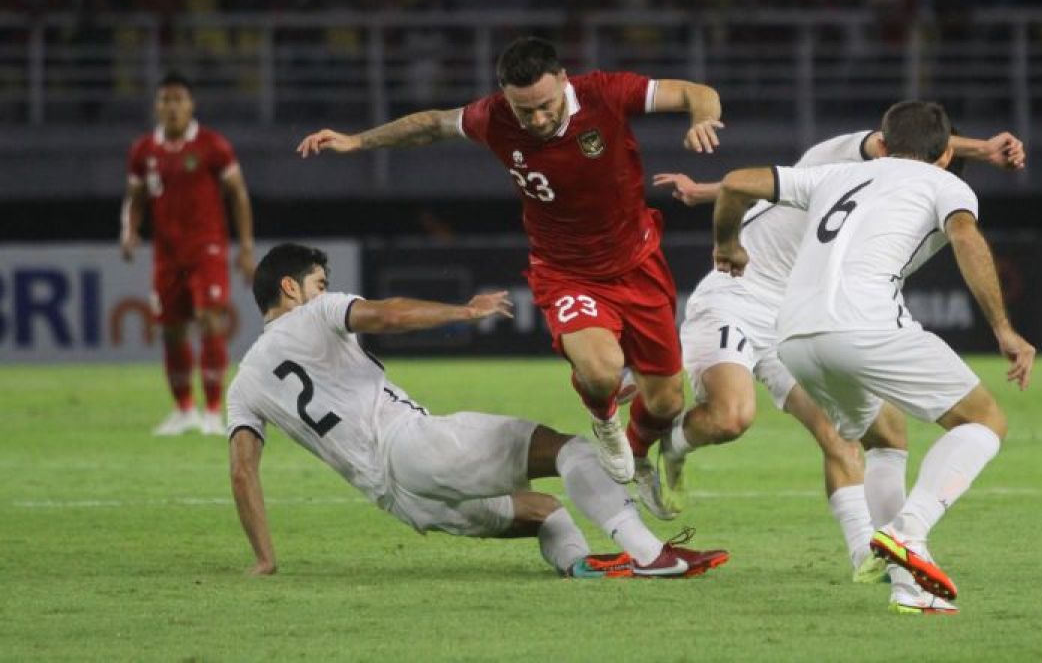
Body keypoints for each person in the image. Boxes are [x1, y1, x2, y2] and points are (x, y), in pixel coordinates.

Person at [296, 37, 724, 519]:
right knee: (603, 370)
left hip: (639, 264)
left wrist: (703, 118)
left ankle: (639, 450)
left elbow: (695, 91)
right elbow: (431, 124)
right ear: (504, 95)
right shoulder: (492, 116)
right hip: (565, 272)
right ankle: (603, 419)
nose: (537, 120)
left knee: (666, 403)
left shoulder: (605, 93)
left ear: (564, 80)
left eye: (545, 106)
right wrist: (358, 140)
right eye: (526, 112)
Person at [650, 127, 1025, 583]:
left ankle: (869, 558)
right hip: (737, 295)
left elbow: (919, 145)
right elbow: (915, 143)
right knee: (730, 418)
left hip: (800, 313)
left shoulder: (879, 186)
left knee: (848, 433)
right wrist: (982, 150)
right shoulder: (841, 159)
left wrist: (705, 190)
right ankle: (672, 443)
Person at [227, 243, 729, 579]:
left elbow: (242, 472)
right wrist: (463, 312)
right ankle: (651, 555)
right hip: (413, 446)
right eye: (318, 281)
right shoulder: (316, 312)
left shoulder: (245, 381)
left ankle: (580, 567)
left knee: (547, 512)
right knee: (570, 451)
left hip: (402, 502)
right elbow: (390, 312)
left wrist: (265, 559)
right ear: (290, 288)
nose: (323, 289)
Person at [121, 73, 256, 436]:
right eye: (165, 100)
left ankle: (213, 411)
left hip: (207, 248)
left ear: (191, 104)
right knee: (170, 329)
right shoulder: (144, 150)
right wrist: (129, 230)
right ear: (156, 106)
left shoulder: (213, 146)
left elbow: (239, 195)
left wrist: (245, 247)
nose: (172, 107)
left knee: (210, 319)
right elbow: (134, 198)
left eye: (179, 99)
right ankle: (184, 410)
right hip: (167, 254)